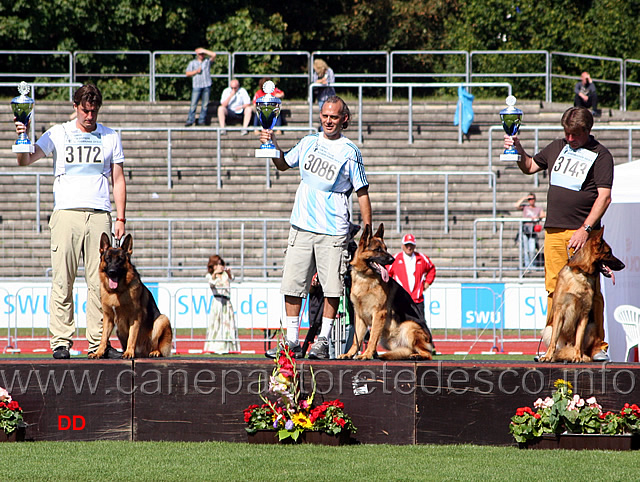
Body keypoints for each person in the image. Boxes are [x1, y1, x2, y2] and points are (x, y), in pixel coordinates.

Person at [14, 84, 127, 360]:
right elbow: (25, 160)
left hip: (99, 214)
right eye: (85, 110)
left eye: (94, 111)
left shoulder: (111, 136)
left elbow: (118, 179)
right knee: (62, 280)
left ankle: (99, 343)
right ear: (75, 106)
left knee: (98, 283)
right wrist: (22, 137)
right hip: (66, 214)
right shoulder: (58, 132)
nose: (89, 116)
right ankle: (61, 341)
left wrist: (121, 217)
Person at [260, 95, 372, 360]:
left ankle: (322, 340)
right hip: (301, 226)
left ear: (344, 119)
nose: (328, 121)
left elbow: (362, 192)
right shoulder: (309, 142)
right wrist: (271, 144)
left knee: (332, 288)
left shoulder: (350, 151)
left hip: (333, 229)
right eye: (325, 116)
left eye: (334, 117)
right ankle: (291, 341)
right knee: (292, 285)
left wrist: (368, 231)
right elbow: (283, 164)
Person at [504, 106, 614, 362]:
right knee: (555, 289)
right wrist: (518, 149)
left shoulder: (601, 155)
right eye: (566, 133)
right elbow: (530, 166)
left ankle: (597, 346)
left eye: (574, 134)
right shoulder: (557, 146)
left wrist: (585, 230)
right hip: (554, 231)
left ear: (587, 131)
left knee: (590, 292)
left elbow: (604, 197)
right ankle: (556, 346)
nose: (569, 138)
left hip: (585, 236)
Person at [388, 234, 436, 323]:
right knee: (400, 326)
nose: (409, 248)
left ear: (415, 246)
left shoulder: (422, 258)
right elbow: (386, 274)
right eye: (407, 245)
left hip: (417, 301)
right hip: (400, 300)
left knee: (420, 327)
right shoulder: (395, 259)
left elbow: (431, 269)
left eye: (411, 245)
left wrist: (428, 282)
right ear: (402, 246)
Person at [203, 255, 240, 354]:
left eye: (221, 263)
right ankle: (214, 347)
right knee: (216, 325)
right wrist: (215, 274)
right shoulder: (209, 275)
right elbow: (212, 283)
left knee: (228, 325)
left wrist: (229, 273)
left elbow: (233, 279)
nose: (220, 266)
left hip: (227, 302)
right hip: (217, 302)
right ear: (213, 266)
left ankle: (229, 348)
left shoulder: (225, 275)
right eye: (217, 264)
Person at [185, 48, 216, 127]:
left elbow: (214, 55)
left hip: (206, 85)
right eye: (200, 54)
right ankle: (190, 120)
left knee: (205, 105)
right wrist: (196, 72)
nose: (202, 55)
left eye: (203, 54)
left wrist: (204, 50)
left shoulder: (207, 61)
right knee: (193, 104)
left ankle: (202, 120)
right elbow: (187, 73)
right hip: (197, 85)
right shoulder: (192, 63)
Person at [515, 193, 546, 268]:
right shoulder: (525, 207)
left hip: (533, 231)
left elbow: (544, 215)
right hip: (525, 230)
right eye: (529, 199)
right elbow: (516, 205)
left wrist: (537, 217)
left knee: (532, 249)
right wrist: (524, 198)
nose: (531, 201)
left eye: (532, 199)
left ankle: (533, 265)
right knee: (526, 249)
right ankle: (527, 265)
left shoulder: (538, 208)